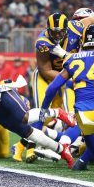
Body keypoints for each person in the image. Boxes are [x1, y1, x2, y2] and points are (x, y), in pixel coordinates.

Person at [13, 12, 83, 163]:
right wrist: (67, 79)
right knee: (41, 113)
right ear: (48, 29)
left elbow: (90, 21)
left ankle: (66, 145)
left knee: (71, 114)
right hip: (46, 77)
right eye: (54, 32)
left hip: (66, 76)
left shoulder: (77, 30)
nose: (57, 35)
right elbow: (45, 70)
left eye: (60, 32)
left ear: (67, 29)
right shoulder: (43, 42)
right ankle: (27, 148)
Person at [41, 24, 94, 175]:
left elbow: (52, 88)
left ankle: (82, 162)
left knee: (88, 134)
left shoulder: (73, 59)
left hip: (83, 111)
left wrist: (44, 108)